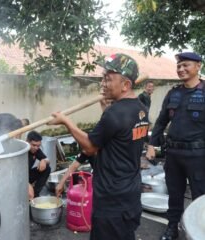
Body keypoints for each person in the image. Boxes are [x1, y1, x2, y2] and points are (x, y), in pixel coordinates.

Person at [49, 53, 149, 240]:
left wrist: (66, 121)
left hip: (111, 197)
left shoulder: (115, 113)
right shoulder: (141, 109)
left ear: (126, 85)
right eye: (102, 77)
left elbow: (89, 148)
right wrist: (105, 110)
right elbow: (118, 134)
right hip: (130, 193)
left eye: (108, 79)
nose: (102, 83)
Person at [146, 52, 205, 240]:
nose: (181, 69)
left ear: (198, 66)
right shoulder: (174, 93)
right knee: (174, 194)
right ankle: (172, 228)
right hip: (173, 154)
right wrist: (151, 145)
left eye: (186, 65)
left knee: (200, 197)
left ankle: (198, 232)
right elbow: (161, 122)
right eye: (179, 66)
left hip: (198, 155)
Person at [27, 131, 51, 199]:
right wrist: (27, 184)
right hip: (19, 178)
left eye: (38, 146)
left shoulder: (36, 150)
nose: (36, 148)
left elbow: (47, 159)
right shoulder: (22, 151)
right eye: (33, 145)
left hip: (28, 175)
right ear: (27, 141)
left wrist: (44, 161)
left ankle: (35, 194)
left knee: (47, 168)